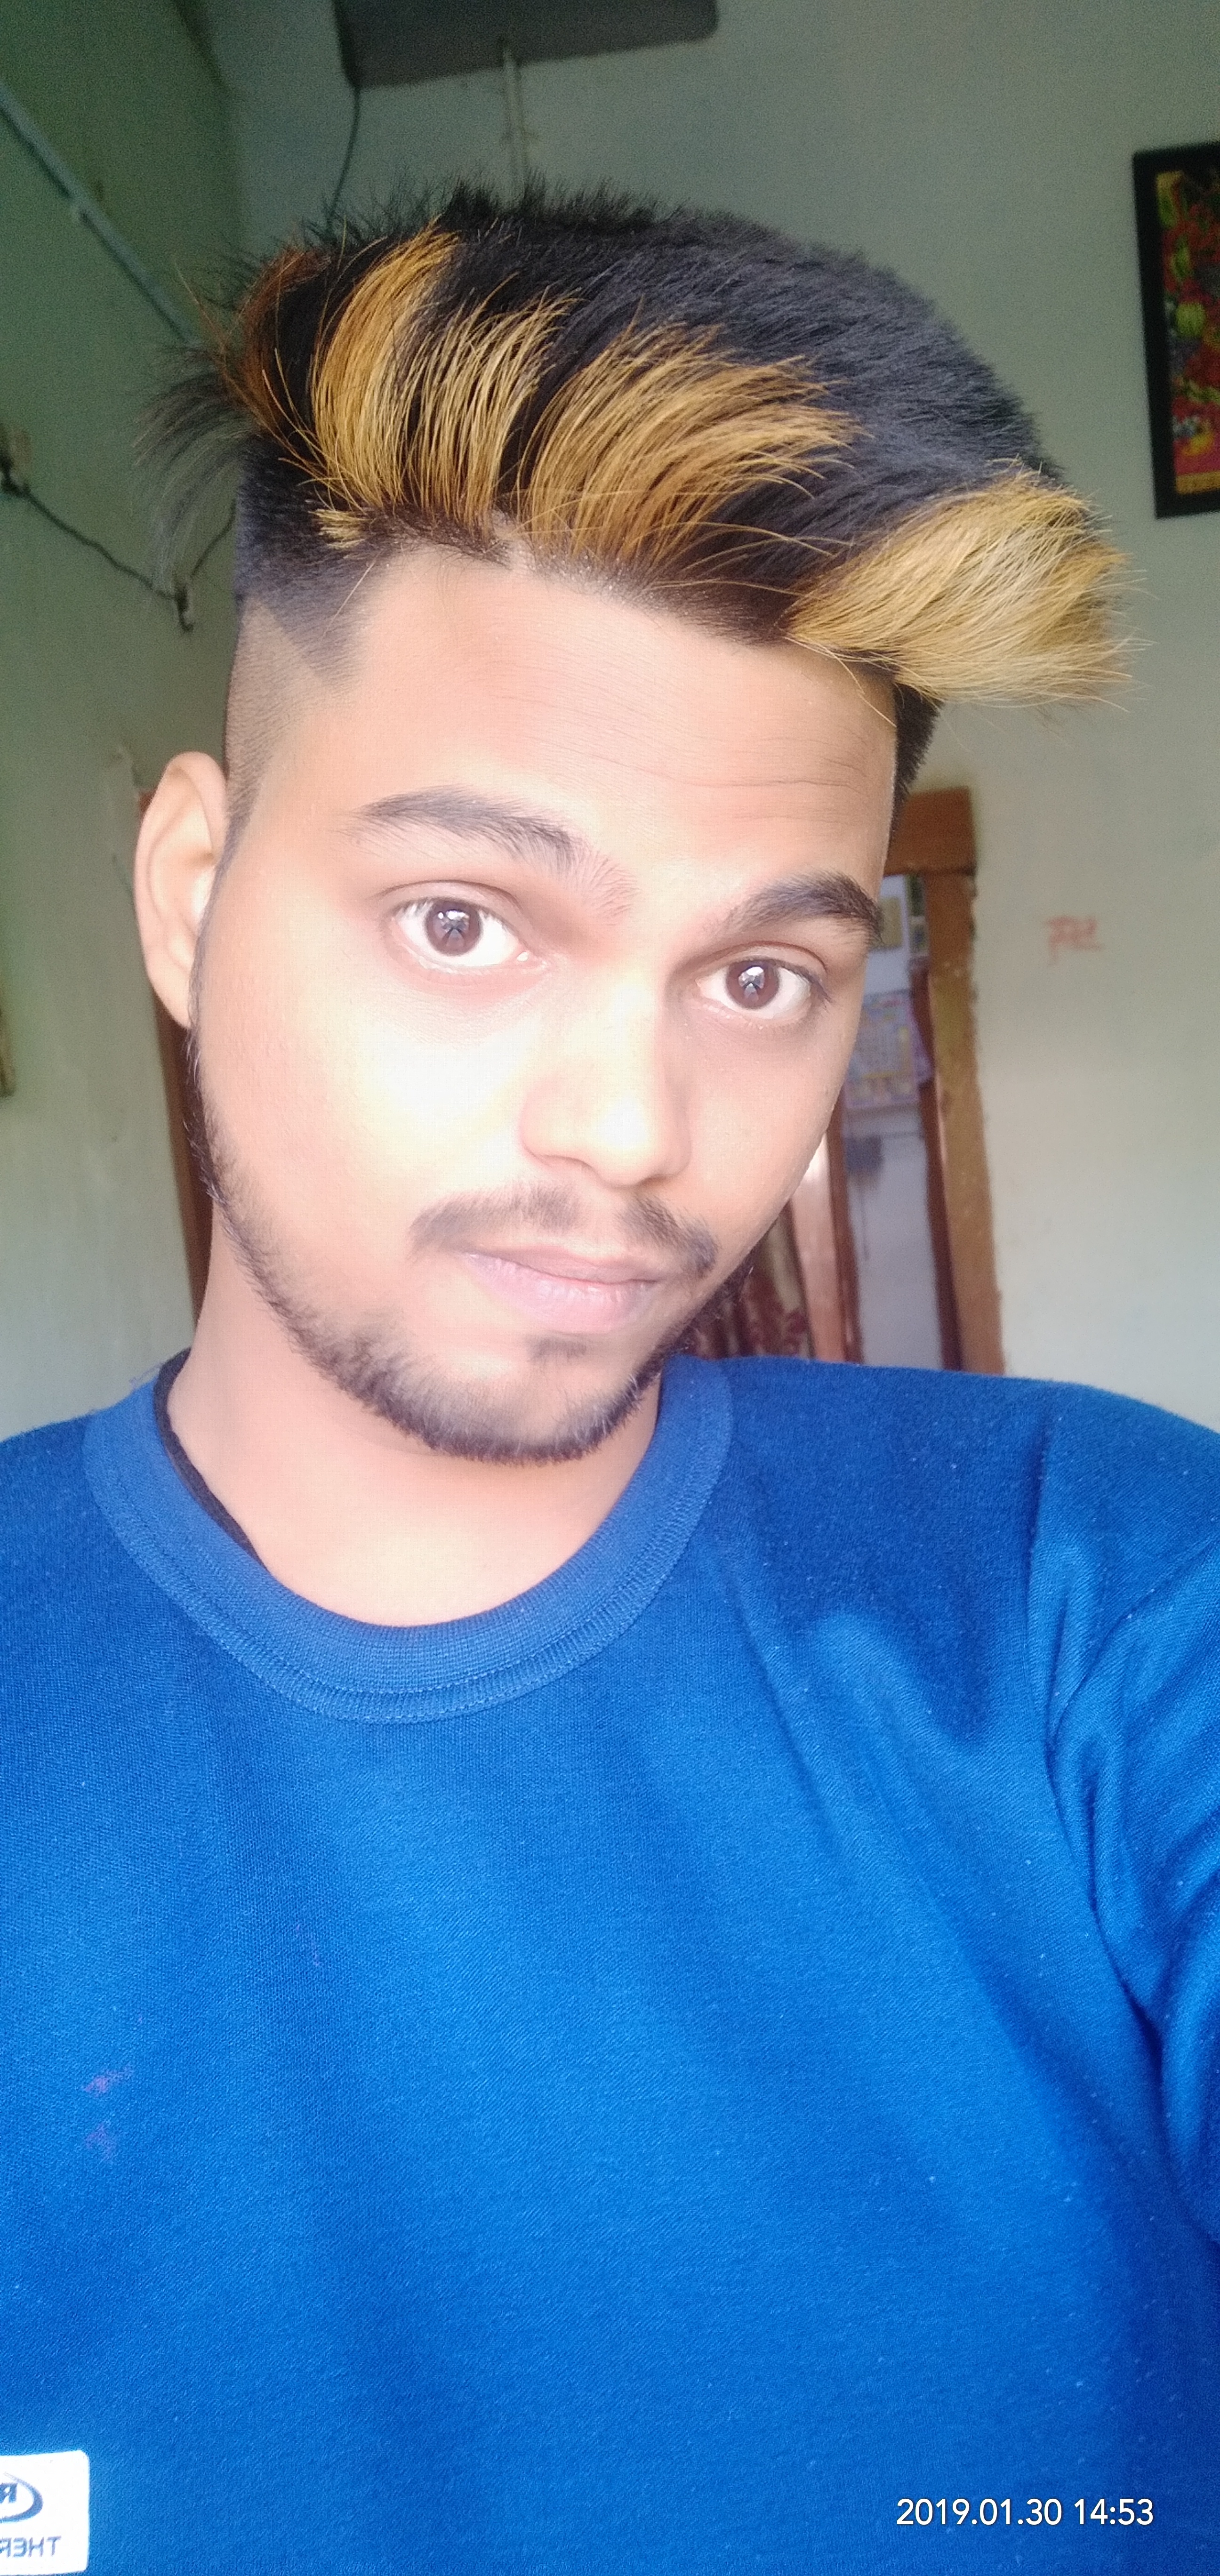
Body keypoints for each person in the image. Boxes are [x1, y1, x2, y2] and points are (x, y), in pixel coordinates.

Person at [2, 188, 1217, 2576]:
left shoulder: (1088, 1590)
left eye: (760, 977)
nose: (637, 1133)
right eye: (467, 922)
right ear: (191, 893)